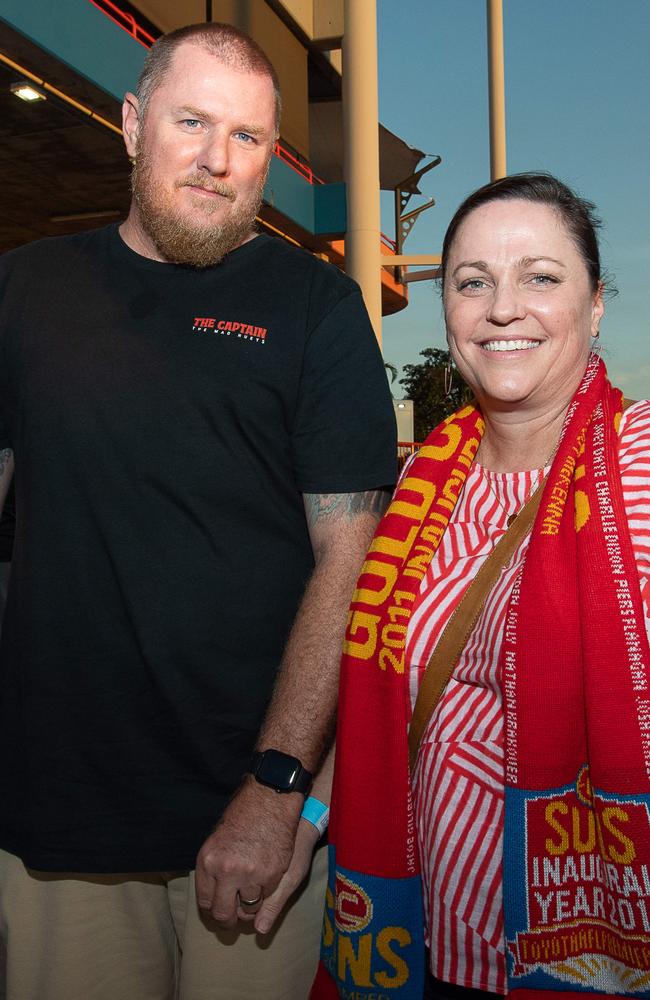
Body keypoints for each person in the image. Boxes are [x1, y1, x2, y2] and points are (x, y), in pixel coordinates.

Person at [0, 21, 397, 1000]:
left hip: (249, 812)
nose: (216, 161)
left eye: (248, 137)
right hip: (57, 821)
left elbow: (347, 559)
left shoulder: (317, 308)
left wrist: (277, 786)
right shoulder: (23, 290)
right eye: (189, 121)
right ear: (133, 124)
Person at [313, 173, 650, 999]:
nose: (503, 308)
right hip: (422, 944)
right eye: (473, 282)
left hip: (577, 946)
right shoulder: (427, 479)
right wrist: (308, 820)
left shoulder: (637, 463)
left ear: (596, 303)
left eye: (541, 276)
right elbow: (380, 701)